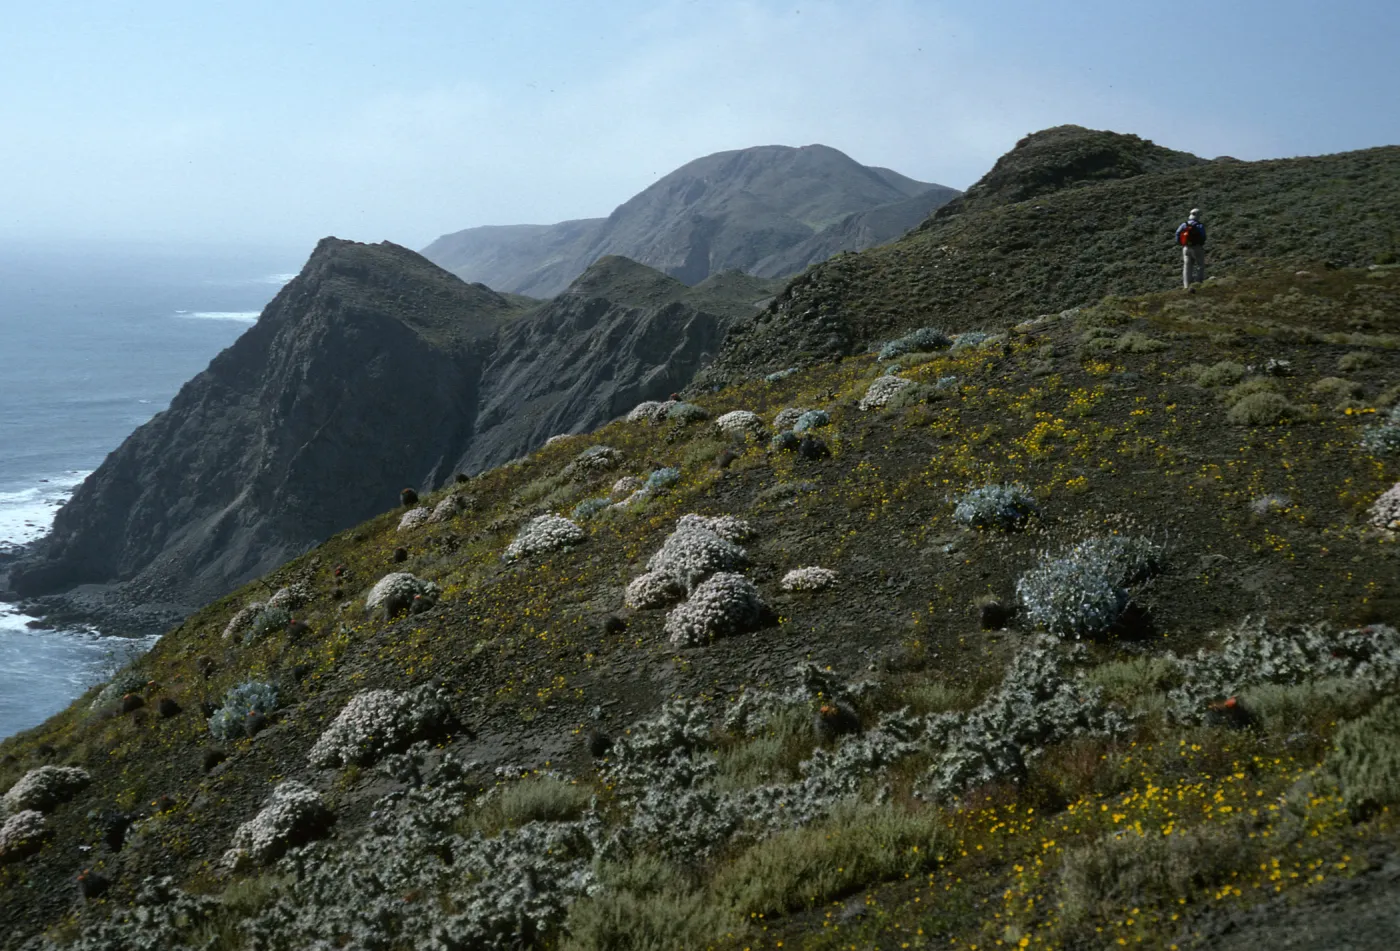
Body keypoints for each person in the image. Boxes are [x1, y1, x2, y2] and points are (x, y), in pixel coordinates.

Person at [1175, 208, 1206, 290]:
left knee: (1187, 267)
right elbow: (1203, 236)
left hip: (1185, 248)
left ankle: (1186, 286)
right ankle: (1198, 283)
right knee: (1200, 265)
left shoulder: (1184, 224)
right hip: (1196, 247)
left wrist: (1181, 243)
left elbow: (1177, 233)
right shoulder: (1199, 225)